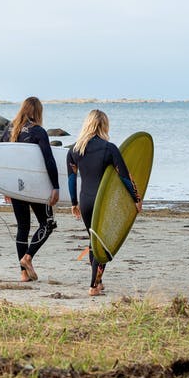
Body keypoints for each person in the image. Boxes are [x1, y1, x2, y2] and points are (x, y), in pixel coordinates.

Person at [67, 109, 141, 296]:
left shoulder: (75, 150)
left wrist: (74, 203)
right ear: (104, 125)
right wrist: (136, 199)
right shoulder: (109, 149)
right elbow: (124, 177)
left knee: (94, 242)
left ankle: (98, 282)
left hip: (85, 201)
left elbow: (71, 179)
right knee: (102, 244)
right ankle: (93, 285)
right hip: (103, 203)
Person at [2, 96, 59, 282]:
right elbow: (48, 160)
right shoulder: (38, 131)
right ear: (37, 112)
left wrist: (4, 187)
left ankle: (23, 274)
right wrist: (56, 186)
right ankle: (27, 257)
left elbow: (0, 162)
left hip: (15, 186)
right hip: (34, 186)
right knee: (48, 223)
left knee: (23, 227)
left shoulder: (9, 130)